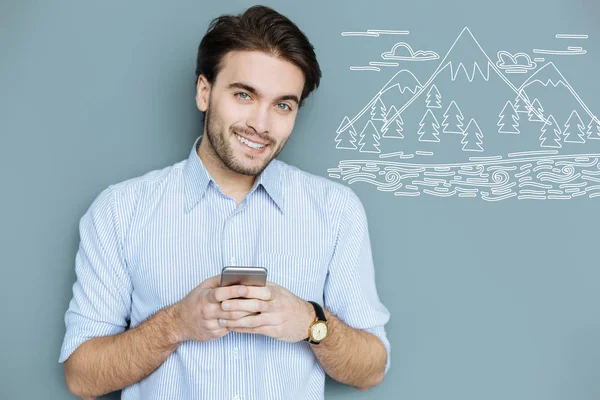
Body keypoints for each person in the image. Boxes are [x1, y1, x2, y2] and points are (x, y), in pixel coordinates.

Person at [59, 5, 391, 400]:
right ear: (204, 91)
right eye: (244, 95)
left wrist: (310, 322)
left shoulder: (336, 210)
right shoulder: (119, 211)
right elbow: (82, 377)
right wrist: (176, 324)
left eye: (283, 105)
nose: (261, 124)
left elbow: (371, 368)